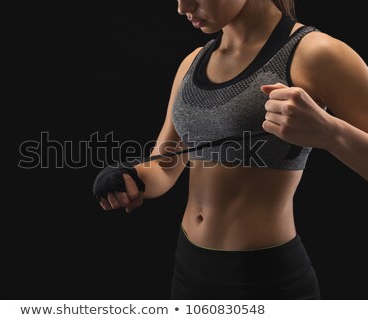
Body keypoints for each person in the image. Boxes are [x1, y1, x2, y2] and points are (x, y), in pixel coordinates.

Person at [92, 0, 368, 299]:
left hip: (265, 278)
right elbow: (165, 165)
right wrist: (130, 177)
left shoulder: (315, 53)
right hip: (189, 269)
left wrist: (330, 133)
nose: (183, 7)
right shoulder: (193, 62)